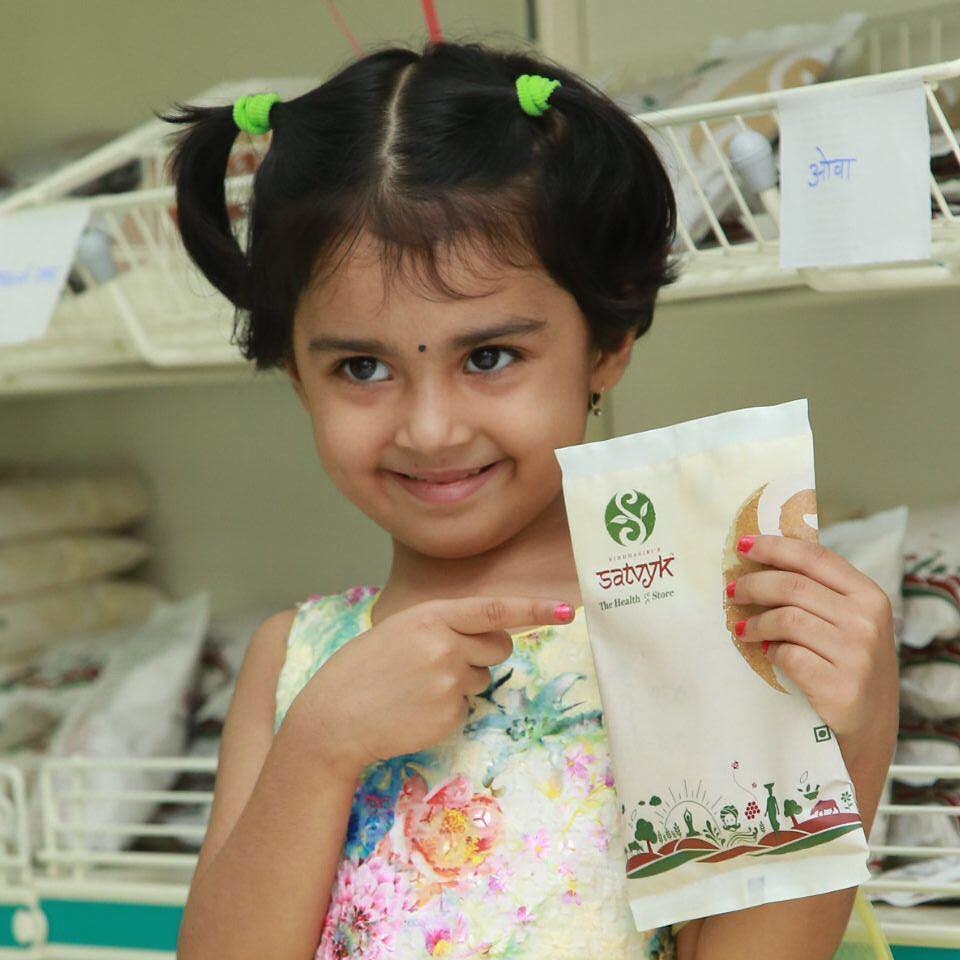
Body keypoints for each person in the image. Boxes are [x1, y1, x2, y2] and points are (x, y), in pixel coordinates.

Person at [160, 39, 899, 960]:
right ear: (294, 373)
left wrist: (859, 731)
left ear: (607, 342)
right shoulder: (292, 661)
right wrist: (318, 748)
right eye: (361, 367)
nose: (431, 429)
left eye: (489, 356)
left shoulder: (701, 630)